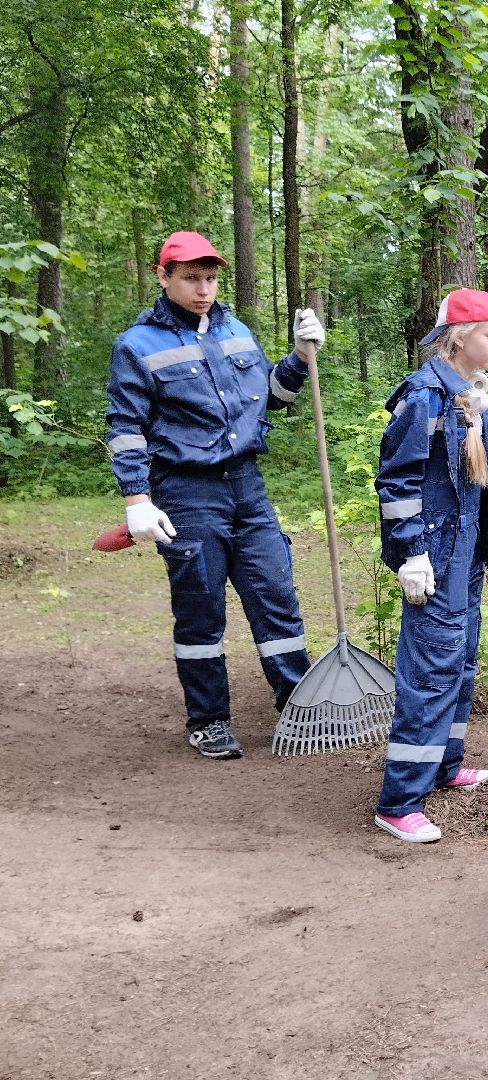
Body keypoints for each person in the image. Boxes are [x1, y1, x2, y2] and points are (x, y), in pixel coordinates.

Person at [105, 230, 325, 760]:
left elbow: (271, 398)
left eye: (209, 278)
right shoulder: (137, 346)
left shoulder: (235, 329)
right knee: (200, 608)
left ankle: (297, 706)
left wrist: (298, 356)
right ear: (163, 276)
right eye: (190, 278)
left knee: (276, 596)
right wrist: (137, 500)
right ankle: (208, 719)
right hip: (185, 492)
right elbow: (125, 427)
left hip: (248, 487)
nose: (203, 289)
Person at [372, 288, 488, 843]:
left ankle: (443, 764)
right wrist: (411, 552)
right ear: (459, 337)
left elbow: (464, 472)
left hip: (464, 554)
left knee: (460, 661)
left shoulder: (468, 392)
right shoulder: (423, 396)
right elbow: (398, 481)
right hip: (434, 555)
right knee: (432, 669)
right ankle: (399, 800)